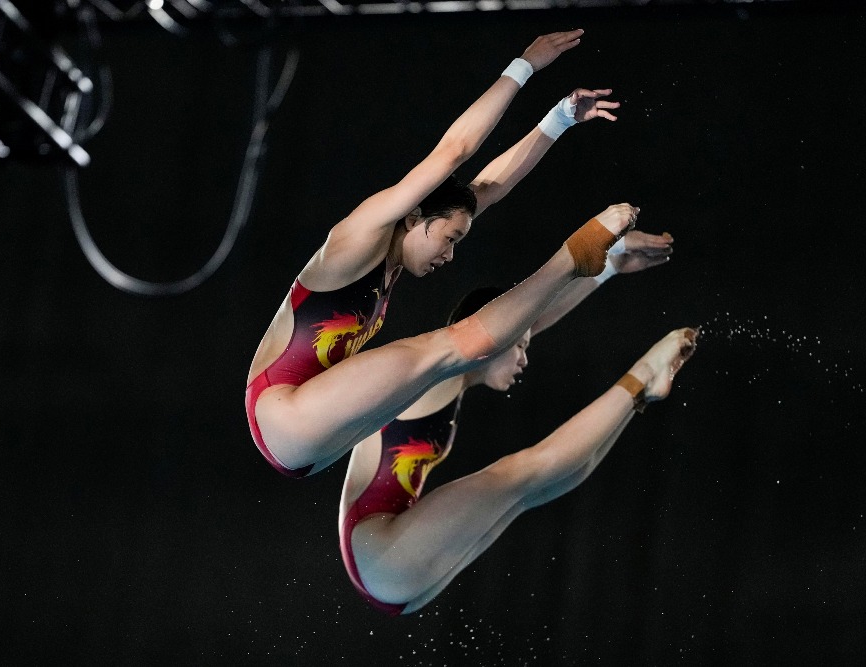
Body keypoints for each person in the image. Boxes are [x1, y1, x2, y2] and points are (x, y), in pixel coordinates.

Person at [246, 29, 627, 477]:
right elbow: (454, 152)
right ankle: (571, 259)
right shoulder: (360, 234)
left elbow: (487, 188)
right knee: (446, 351)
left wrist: (560, 119)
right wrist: (524, 66)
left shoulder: (399, 254)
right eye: (450, 239)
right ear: (415, 217)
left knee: (441, 365)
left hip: (316, 445)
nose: (449, 256)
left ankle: (577, 264)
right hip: (283, 412)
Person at [337, 234, 692, 615]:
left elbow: (528, 322)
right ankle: (644, 373)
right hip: (381, 549)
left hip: (396, 565)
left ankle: (639, 395)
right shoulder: (434, 376)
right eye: (519, 345)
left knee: (542, 485)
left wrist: (611, 267)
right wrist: (610, 252)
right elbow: (522, 316)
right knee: (522, 471)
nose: (525, 357)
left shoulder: (453, 381)